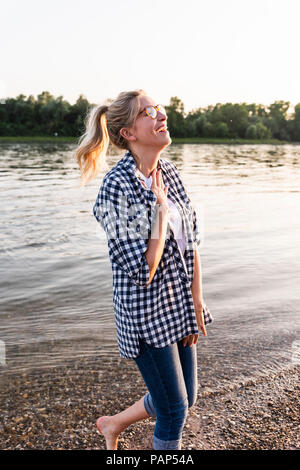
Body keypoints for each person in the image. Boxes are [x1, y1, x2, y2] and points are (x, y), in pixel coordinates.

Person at [75, 89, 213, 450]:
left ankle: (113, 424)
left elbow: (191, 242)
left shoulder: (169, 171)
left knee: (187, 398)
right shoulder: (115, 189)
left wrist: (196, 302)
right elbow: (141, 272)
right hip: (144, 315)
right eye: (149, 112)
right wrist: (160, 214)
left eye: (159, 108)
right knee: (174, 410)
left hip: (177, 304)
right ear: (128, 133)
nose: (161, 115)